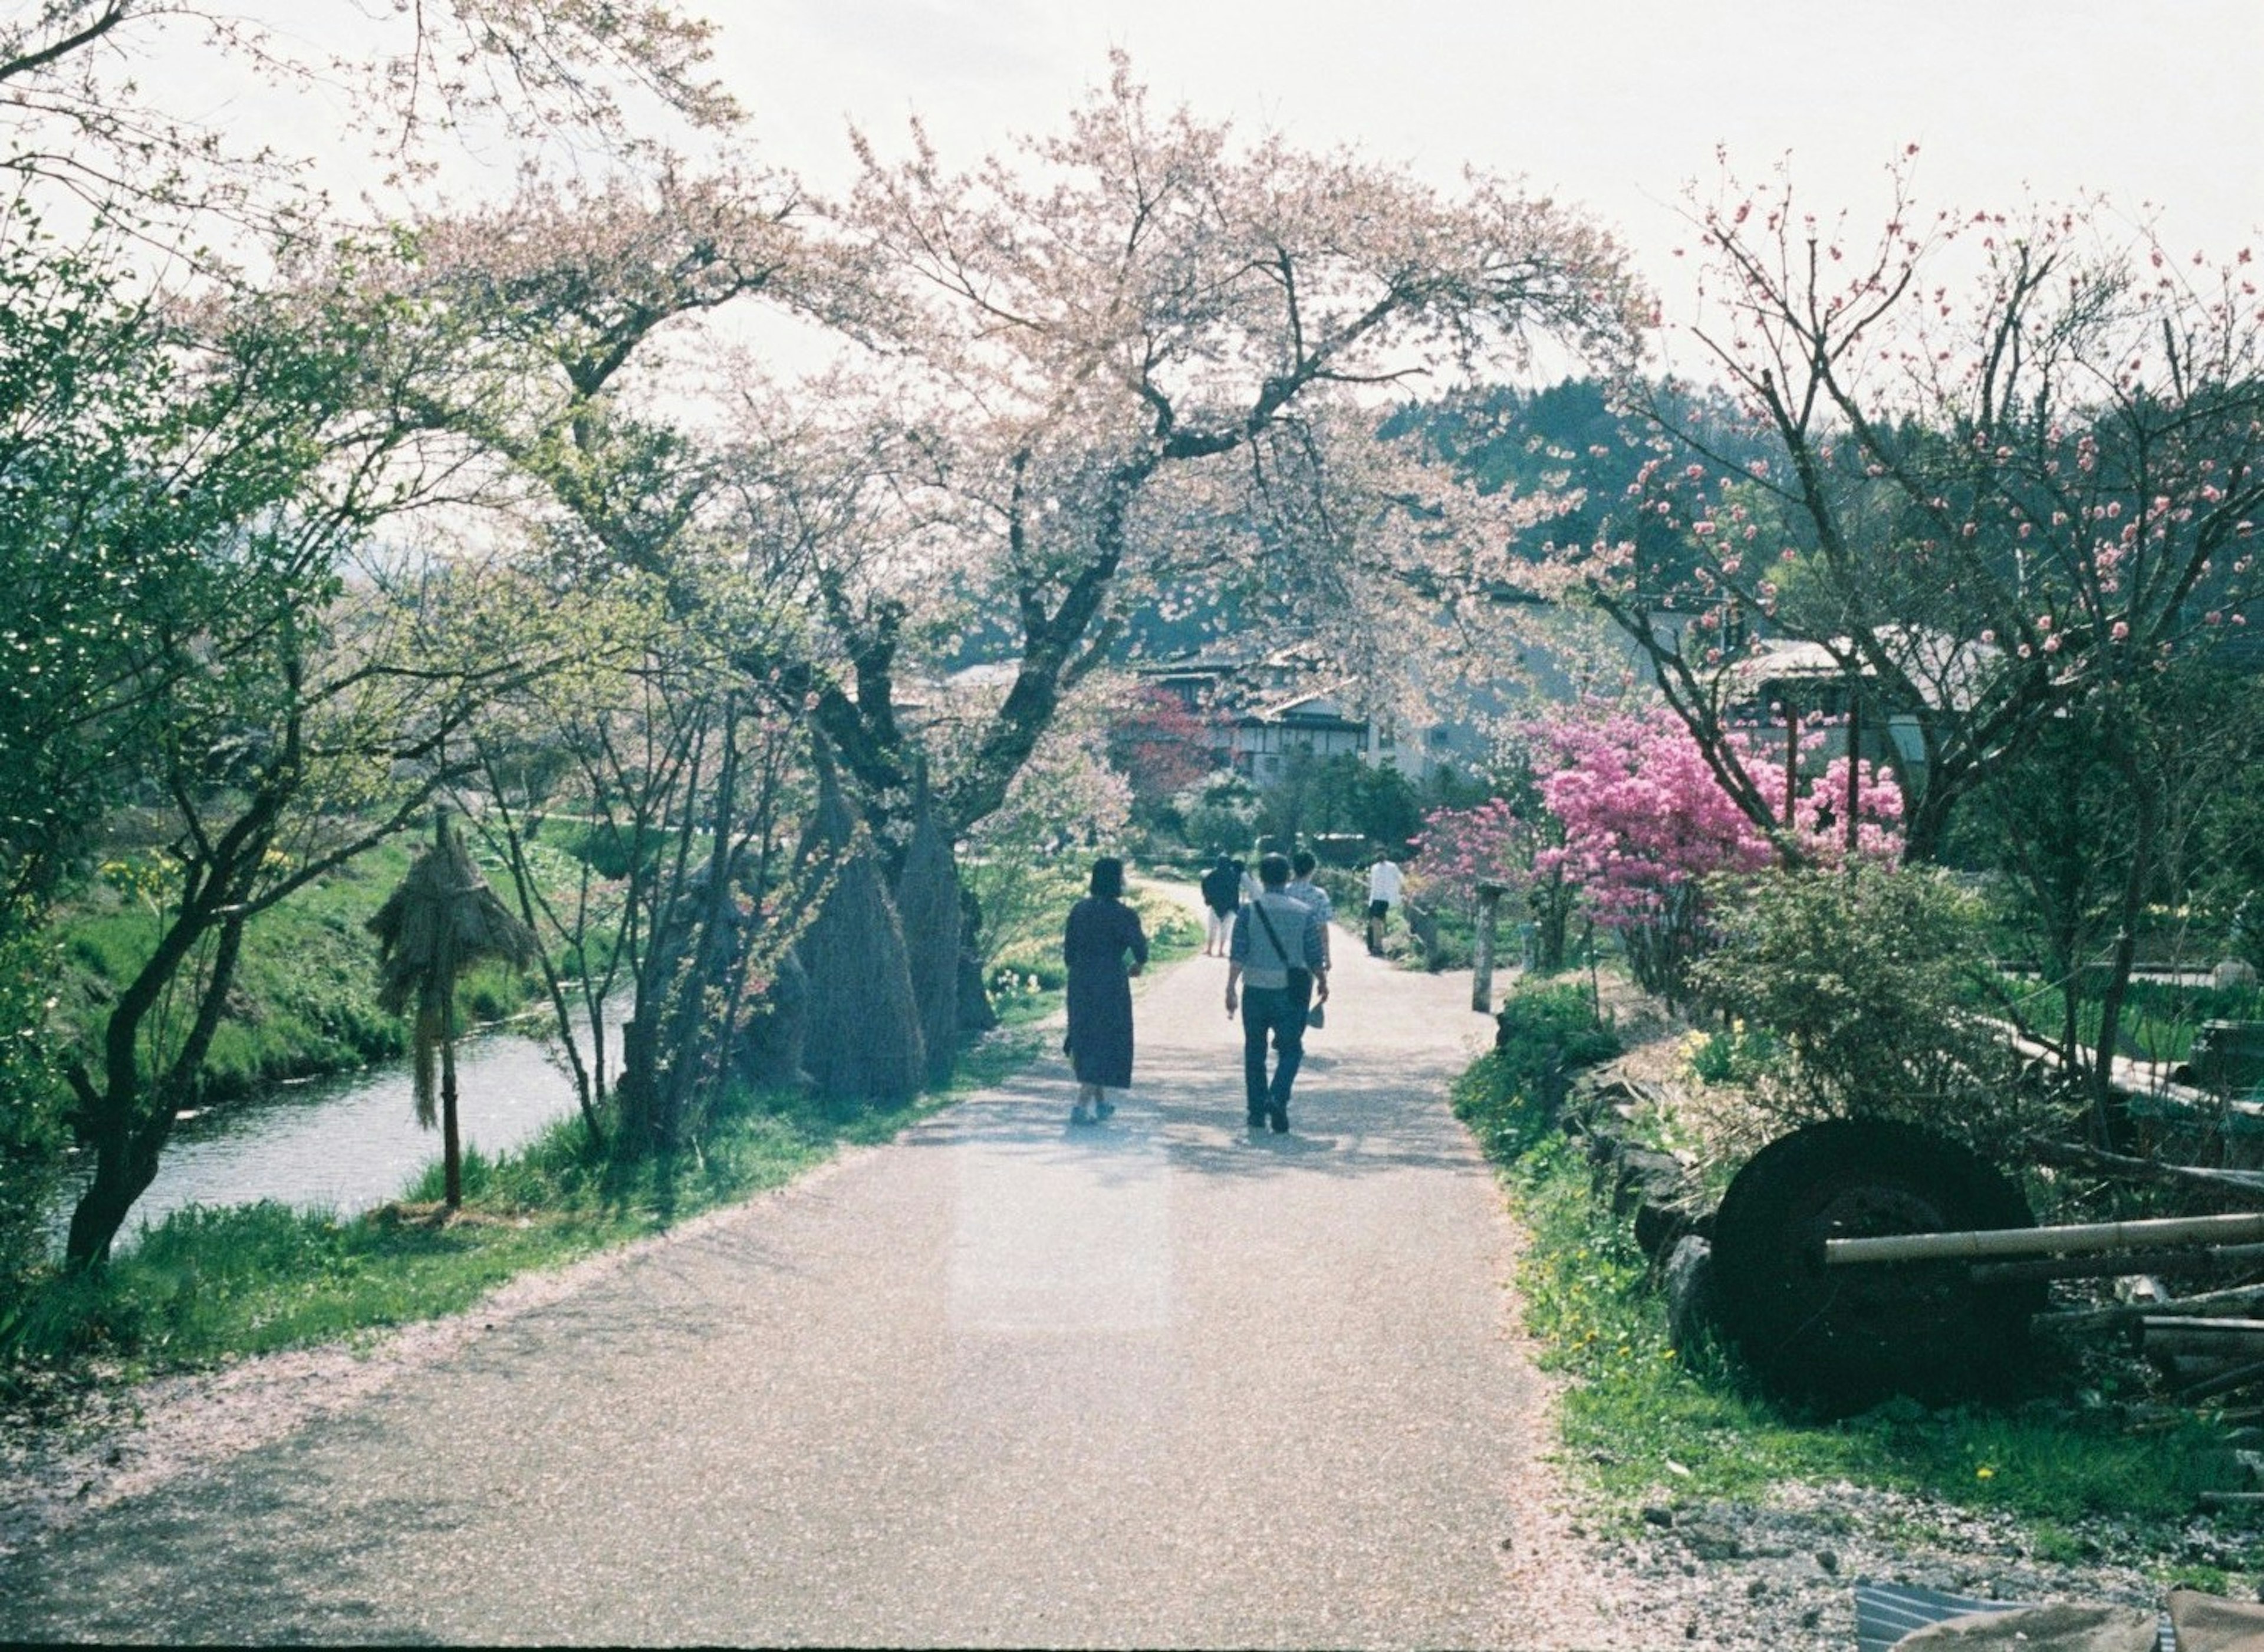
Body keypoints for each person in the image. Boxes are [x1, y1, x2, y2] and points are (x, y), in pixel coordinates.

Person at [1226, 853, 1329, 1134]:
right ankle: (1278, 1096)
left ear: (1261, 877)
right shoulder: (1303, 912)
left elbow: (1238, 953)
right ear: (1287, 877)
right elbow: (1313, 953)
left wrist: (1231, 988)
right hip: (1292, 990)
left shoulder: (1249, 911)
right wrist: (1322, 981)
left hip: (1255, 989)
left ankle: (1256, 1112)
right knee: (1291, 1049)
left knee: (1255, 1050)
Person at [1062, 856, 1148, 1126]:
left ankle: (1101, 1104)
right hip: (1110, 981)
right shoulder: (1124, 914)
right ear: (1117, 881)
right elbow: (1141, 951)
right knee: (1106, 1040)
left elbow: (1068, 954)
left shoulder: (1079, 910)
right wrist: (1135, 965)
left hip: (1080, 980)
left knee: (1085, 1036)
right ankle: (1080, 1106)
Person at [1281, 848, 1334, 1024]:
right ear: (1313, 869)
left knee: (1283, 993)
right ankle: (1294, 1034)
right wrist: (1326, 956)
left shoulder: (1283, 892)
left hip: (1282, 950)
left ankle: (1283, 1030)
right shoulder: (1319, 895)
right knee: (1303, 995)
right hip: (1308, 954)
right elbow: (1322, 929)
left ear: (1293, 868)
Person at [1199, 853, 1242, 958]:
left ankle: (1210, 949)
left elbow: (1205, 887)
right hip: (1230, 907)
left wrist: (1208, 900)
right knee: (1225, 929)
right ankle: (1221, 950)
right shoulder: (1234, 876)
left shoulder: (1211, 875)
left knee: (1212, 927)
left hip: (1216, 905)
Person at [1365, 847, 1403, 957]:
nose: (1380, 854)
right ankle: (1376, 946)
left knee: (1380, 922)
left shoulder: (1392, 867)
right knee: (1374, 922)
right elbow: (1372, 884)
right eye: (1378, 852)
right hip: (1376, 898)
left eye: (1382, 852)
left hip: (1387, 898)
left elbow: (1400, 879)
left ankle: (1380, 946)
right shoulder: (1374, 868)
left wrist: (1400, 892)